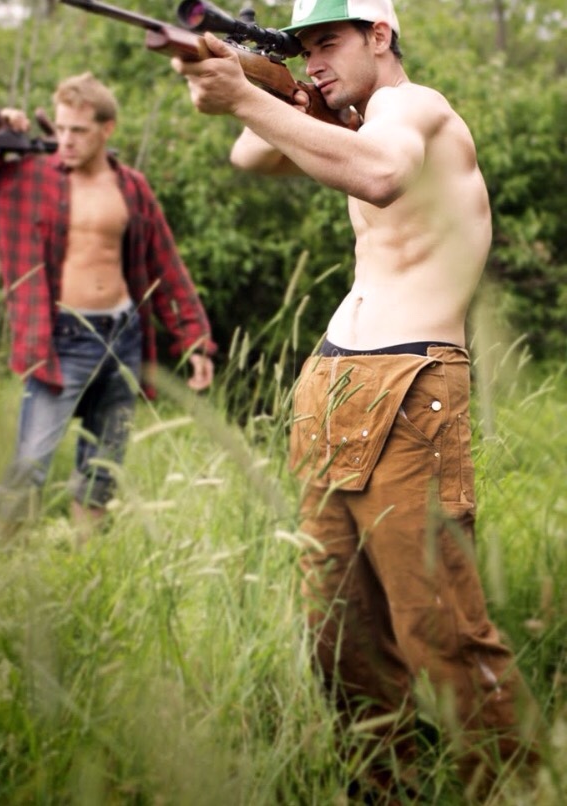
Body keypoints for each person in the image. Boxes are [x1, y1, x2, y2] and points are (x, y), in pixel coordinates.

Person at [171, 0, 539, 796]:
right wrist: (253, 82)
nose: (314, 60)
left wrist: (245, 95)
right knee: (339, 635)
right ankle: (382, 789)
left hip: (409, 387)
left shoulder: (414, 108)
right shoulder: (355, 121)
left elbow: (378, 174)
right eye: (302, 47)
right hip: (333, 385)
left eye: (329, 42)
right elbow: (250, 153)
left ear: (379, 35)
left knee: (442, 628)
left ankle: (516, 789)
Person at [0, 72, 216, 536]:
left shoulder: (132, 187)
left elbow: (165, 265)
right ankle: (0, 561)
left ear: (107, 129)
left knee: (103, 464)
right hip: (61, 340)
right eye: (60, 128)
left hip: (124, 338)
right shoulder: (24, 177)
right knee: (29, 462)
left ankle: (88, 559)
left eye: (78, 131)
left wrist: (195, 340)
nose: (65, 140)